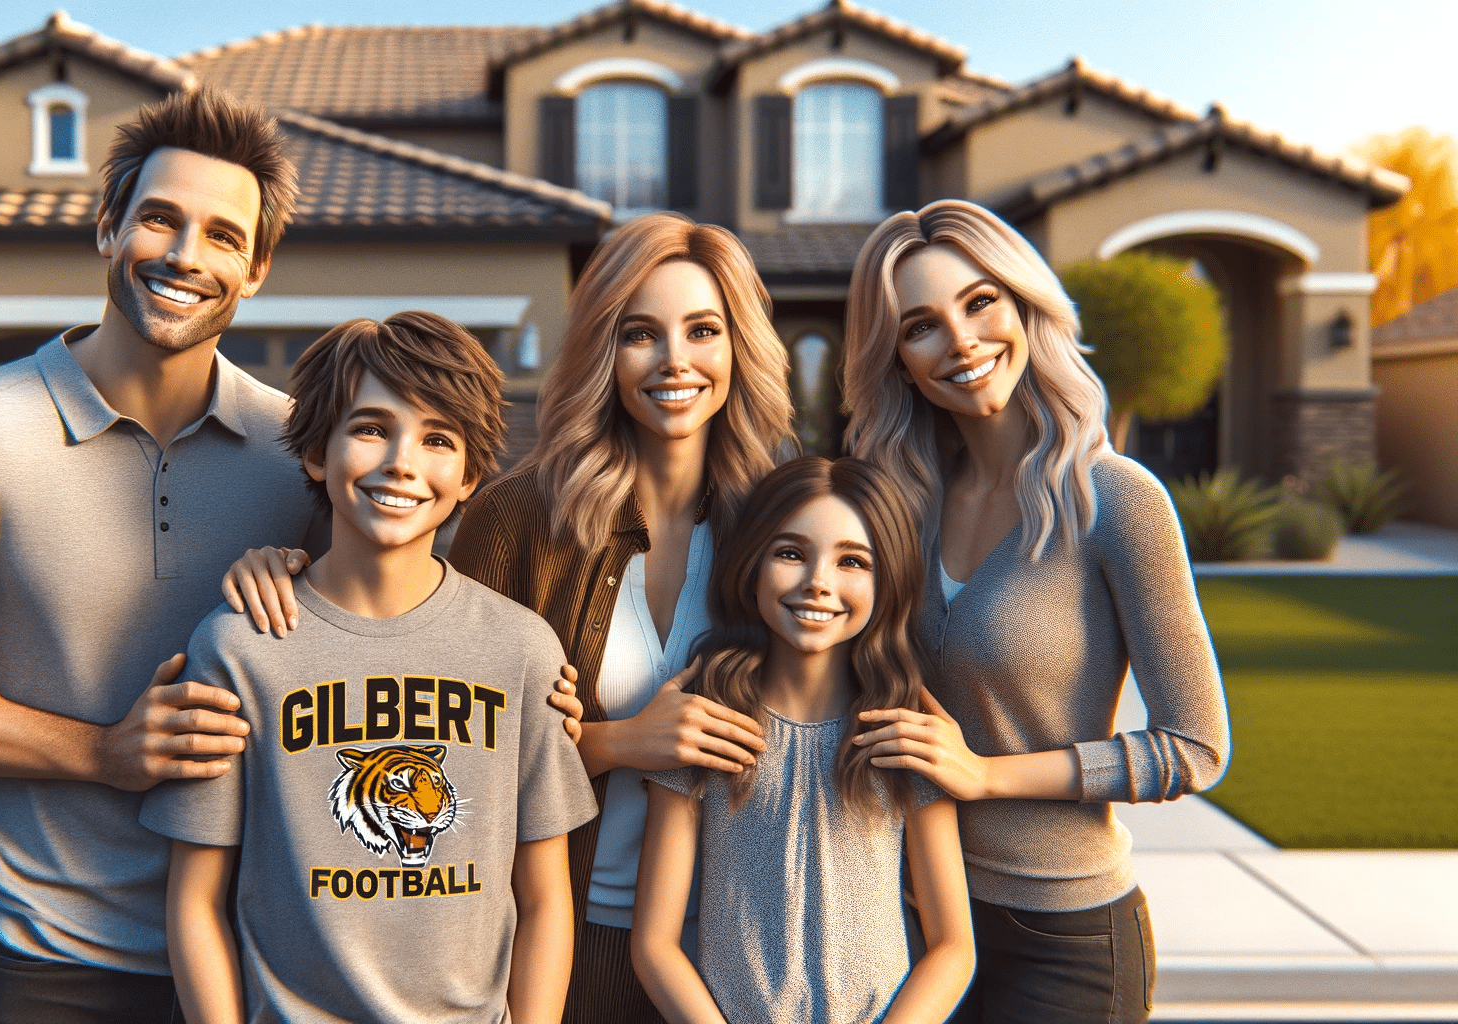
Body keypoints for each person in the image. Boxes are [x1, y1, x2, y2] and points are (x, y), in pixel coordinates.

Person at [220, 212, 797, 1023]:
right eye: (640, 333)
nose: (675, 359)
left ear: (740, 347)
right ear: (603, 347)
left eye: (703, 330)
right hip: (573, 940)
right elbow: (440, 724)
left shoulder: (787, 525)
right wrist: (624, 742)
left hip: (752, 947)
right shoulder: (521, 516)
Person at [0, 90, 316, 1023]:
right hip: (55, 958)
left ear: (254, 270)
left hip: (273, 955)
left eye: (222, 236)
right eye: (160, 219)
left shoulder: (306, 455)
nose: (184, 254)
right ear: (107, 228)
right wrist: (99, 751)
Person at [141, 311, 596, 1024]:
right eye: (372, 428)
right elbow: (196, 899)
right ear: (318, 451)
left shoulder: (522, 650)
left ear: (471, 474)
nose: (402, 463)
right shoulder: (240, 648)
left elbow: (543, 898)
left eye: (437, 439)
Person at [842, 199, 1231, 1023]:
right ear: (898, 359)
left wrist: (985, 777)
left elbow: (1196, 747)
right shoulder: (896, 505)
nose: (962, 341)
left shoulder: (1117, 500)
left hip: (1066, 936)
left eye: (980, 303)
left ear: (1025, 305)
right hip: (909, 920)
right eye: (921, 326)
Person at [631, 456, 974, 1024]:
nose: (819, 581)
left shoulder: (900, 727)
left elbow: (953, 947)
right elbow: (655, 944)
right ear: (751, 565)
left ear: (887, 579)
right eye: (790, 553)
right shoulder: (709, 718)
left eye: (852, 561)